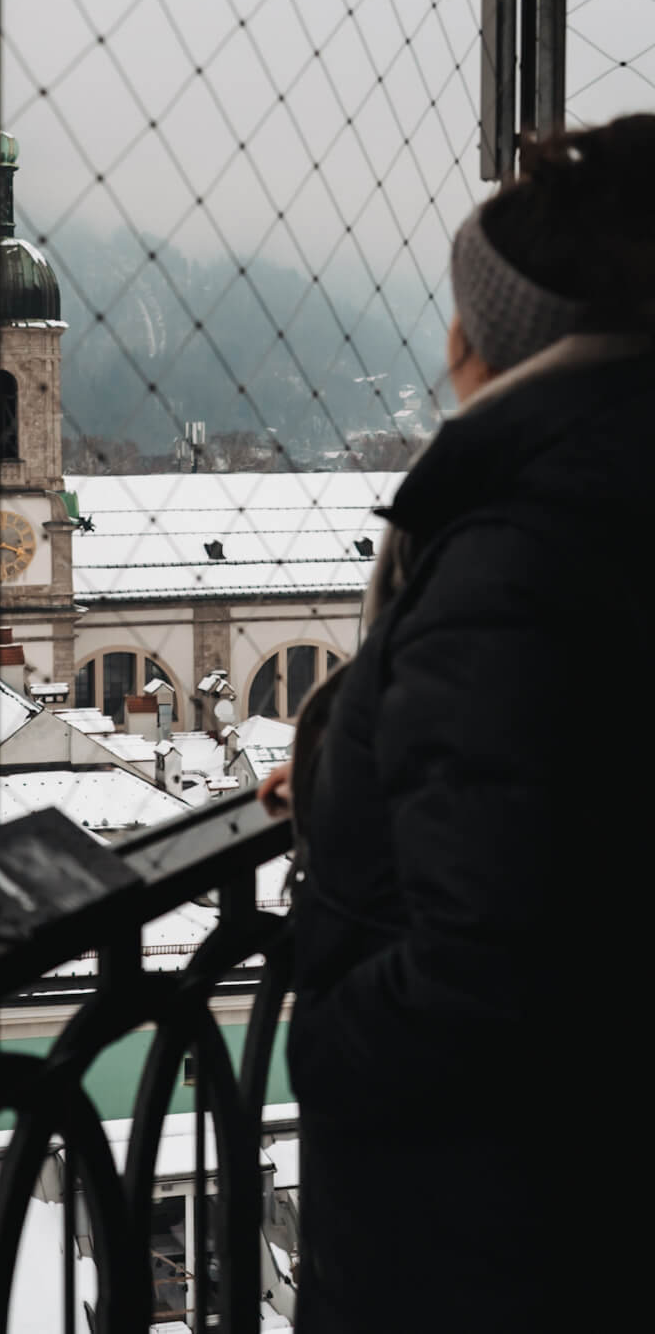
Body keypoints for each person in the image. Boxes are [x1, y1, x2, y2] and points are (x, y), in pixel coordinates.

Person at [262, 115, 655, 1332]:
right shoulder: (598, 496)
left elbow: (488, 954)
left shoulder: (513, 549)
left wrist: (323, 1043)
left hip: (482, 1226)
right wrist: (343, 765)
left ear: (490, 341)